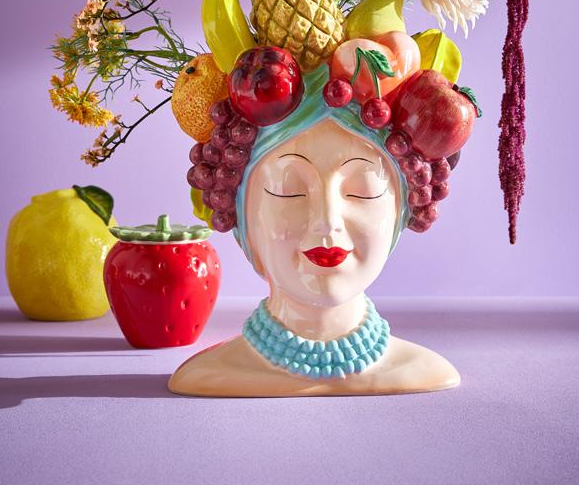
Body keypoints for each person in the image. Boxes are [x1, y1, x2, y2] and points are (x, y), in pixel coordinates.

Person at [169, 66, 460, 397]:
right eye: (289, 189)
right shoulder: (209, 375)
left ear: (402, 211)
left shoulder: (423, 371)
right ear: (238, 211)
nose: (327, 220)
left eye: (362, 190)